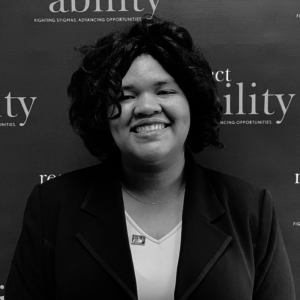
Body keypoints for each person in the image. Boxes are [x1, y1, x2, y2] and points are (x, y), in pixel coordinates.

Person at [5, 15, 295, 300]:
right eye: (125, 96)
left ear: (192, 102)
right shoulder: (52, 207)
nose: (145, 107)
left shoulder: (250, 209)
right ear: (101, 113)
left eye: (165, 91)